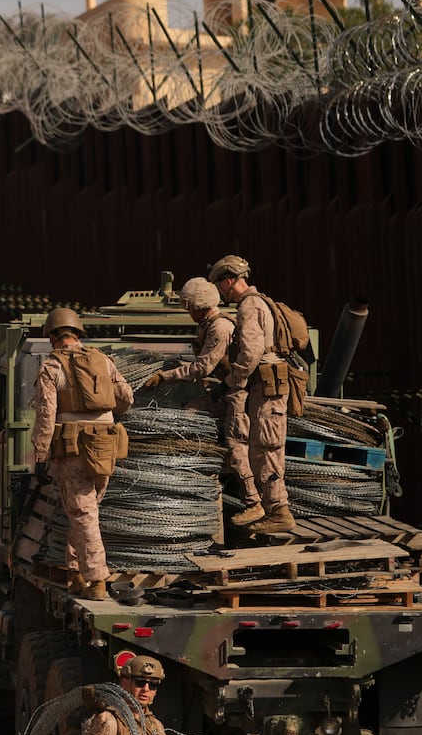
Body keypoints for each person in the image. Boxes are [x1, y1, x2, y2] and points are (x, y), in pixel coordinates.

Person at [31, 307, 133, 601]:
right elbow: (127, 397)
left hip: (74, 448)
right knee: (86, 511)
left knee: (82, 513)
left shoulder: (52, 366)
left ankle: (97, 579)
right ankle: (75, 572)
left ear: (52, 336)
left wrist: (40, 452)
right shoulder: (103, 360)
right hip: (106, 444)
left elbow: (46, 415)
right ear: (77, 334)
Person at [142, 276, 260, 516]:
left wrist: (165, 376)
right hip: (223, 390)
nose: (188, 312)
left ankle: (253, 503)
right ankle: (198, 466)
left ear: (199, 306)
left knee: (236, 448)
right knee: (190, 412)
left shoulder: (220, 328)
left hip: (237, 394)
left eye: (189, 307)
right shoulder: (208, 324)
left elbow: (202, 368)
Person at [210, 255, 293, 534]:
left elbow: (251, 353)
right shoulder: (258, 302)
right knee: (263, 450)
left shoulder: (249, 306)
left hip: (265, 388)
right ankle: (275, 510)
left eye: (220, 284)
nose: (220, 291)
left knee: (265, 450)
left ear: (229, 280)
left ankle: (279, 512)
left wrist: (232, 381)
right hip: (265, 387)